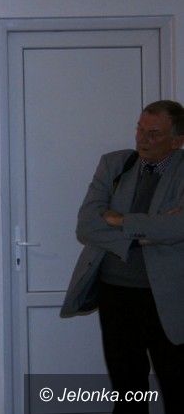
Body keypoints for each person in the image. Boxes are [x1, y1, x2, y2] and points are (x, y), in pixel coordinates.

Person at [62, 100, 184, 413]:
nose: (143, 139)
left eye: (154, 134)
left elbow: (178, 226)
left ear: (177, 140)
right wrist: (146, 233)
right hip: (115, 293)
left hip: (168, 297)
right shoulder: (115, 165)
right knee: (128, 390)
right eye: (140, 130)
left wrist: (121, 220)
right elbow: (87, 224)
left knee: (176, 386)